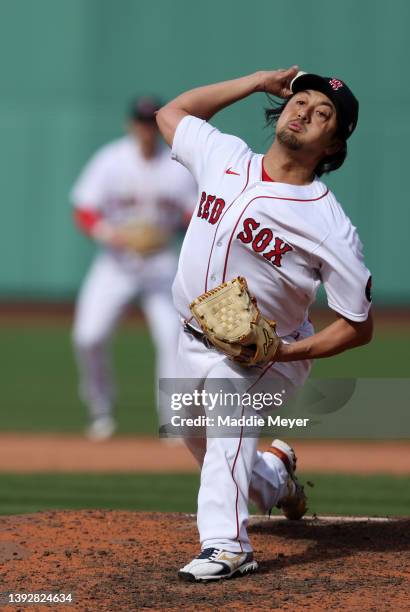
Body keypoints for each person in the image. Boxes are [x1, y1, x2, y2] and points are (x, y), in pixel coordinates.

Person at [156, 66, 373, 581]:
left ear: (333, 145)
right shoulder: (226, 157)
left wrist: (284, 354)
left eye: (324, 114)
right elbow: (173, 114)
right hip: (190, 337)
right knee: (198, 437)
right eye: (302, 101)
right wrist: (254, 81)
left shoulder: (328, 226)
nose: (305, 112)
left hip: (267, 354)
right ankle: (275, 477)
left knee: (228, 408)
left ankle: (228, 546)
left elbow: (357, 325)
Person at [72, 97, 197, 440]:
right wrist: (112, 234)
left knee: (172, 337)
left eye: (151, 122)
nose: (145, 129)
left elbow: (196, 213)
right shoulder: (111, 160)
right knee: (88, 337)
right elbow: (83, 208)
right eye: (140, 122)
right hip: (116, 264)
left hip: (161, 263)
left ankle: (174, 423)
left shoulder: (178, 165)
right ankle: (100, 410)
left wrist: (167, 231)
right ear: (131, 125)